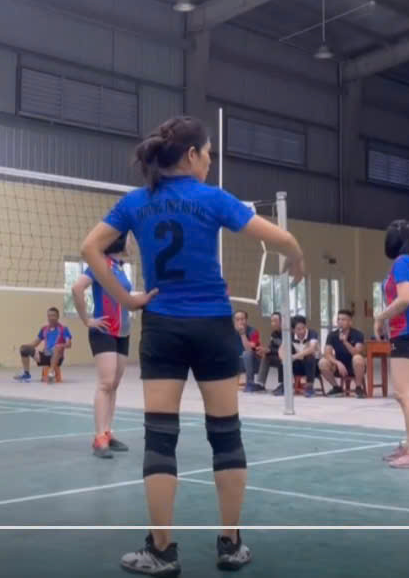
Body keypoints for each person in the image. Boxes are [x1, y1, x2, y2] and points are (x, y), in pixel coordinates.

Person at [81, 115, 304, 575]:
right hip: (213, 327)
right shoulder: (213, 198)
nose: (209, 162)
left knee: (160, 437)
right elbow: (282, 239)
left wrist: (127, 299)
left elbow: (90, 248)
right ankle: (230, 544)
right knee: (226, 435)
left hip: (162, 326)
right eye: (208, 154)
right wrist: (297, 256)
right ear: (191, 155)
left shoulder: (136, 202)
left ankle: (162, 552)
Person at [373, 220, 409, 469]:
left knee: (403, 393)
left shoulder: (403, 263)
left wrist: (380, 317)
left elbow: (404, 299)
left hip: (405, 331)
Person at [71, 234, 132, 459]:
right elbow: (77, 288)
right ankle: (99, 438)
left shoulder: (119, 267)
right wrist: (87, 320)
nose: (131, 242)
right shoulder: (100, 265)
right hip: (104, 331)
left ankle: (107, 432)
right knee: (106, 383)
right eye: (129, 238)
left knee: (114, 385)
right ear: (119, 241)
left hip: (123, 332)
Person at [319, 309, 366, 398]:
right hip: (339, 366)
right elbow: (327, 353)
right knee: (322, 362)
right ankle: (336, 388)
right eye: (338, 319)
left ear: (350, 322)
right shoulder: (332, 335)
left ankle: (358, 387)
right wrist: (337, 363)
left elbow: (357, 352)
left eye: (343, 319)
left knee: (358, 358)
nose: (340, 322)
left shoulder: (358, 334)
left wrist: (345, 342)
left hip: (355, 365)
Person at [18, 308, 73, 384]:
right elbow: (35, 344)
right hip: (46, 355)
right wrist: (24, 346)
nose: (51, 318)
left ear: (58, 316)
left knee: (57, 347)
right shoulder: (44, 329)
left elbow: (69, 344)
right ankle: (26, 374)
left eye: (53, 315)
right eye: (49, 316)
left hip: (57, 357)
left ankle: (51, 373)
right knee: (24, 349)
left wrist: (60, 346)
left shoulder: (64, 329)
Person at [247, 312, 283, 393]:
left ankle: (282, 384)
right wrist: (264, 350)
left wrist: (270, 350)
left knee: (282, 358)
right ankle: (261, 384)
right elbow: (271, 347)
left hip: (289, 357)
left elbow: (288, 349)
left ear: (282, 321)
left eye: (275, 321)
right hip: (278, 356)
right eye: (272, 321)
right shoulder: (274, 334)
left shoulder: (288, 333)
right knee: (266, 356)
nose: (273, 323)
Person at [233, 310, 261, 390]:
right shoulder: (230, 331)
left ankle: (250, 383)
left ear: (246, 320)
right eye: (237, 319)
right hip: (237, 361)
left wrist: (242, 334)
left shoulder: (253, 332)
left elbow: (249, 350)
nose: (240, 322)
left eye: (242, 319)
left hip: (253, 362)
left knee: (246, 354)